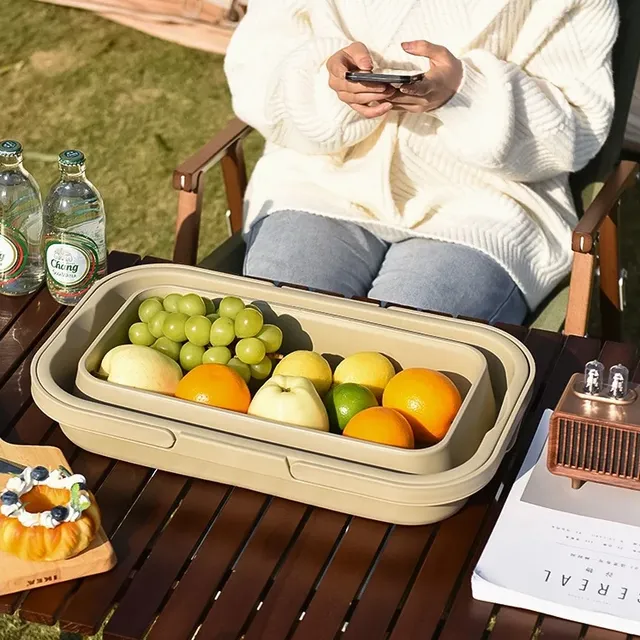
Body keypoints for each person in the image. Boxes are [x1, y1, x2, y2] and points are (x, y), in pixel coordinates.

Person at [223, 0, 618, 324]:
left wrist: (466, 95)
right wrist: (331, 92)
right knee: (282, 331)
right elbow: (258, 68)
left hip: (484, 209)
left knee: (409, 358)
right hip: (318, 184)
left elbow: (575, 131)